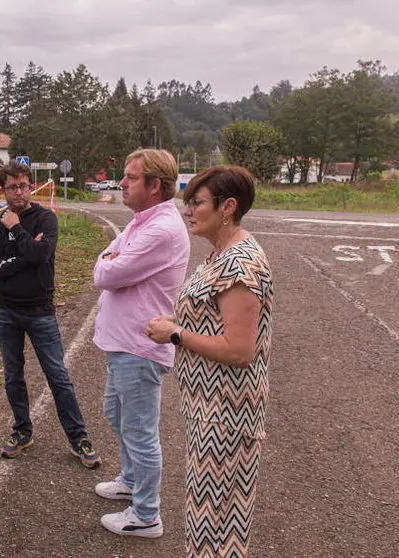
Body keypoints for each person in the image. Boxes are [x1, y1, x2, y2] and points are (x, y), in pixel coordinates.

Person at [145, 165, 274, 557]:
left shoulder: (239, 265)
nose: (187, 211)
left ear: (228, 207)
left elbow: (239, 349)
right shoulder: (221, 254)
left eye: (196, 203)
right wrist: (180, 321)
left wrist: (177, 335)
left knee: (218, 520)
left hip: (227, 415)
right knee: (208, 514)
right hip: (209, 409)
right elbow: (213, 318)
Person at [92, 148, 190, 538]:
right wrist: (110, 257)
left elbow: (107, 273)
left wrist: (110, 259)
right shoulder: (142, 220)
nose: (122, 183)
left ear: (155, 185)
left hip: (139, 346)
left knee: (140, 430)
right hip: (123, 343)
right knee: (117, 417)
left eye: (131, 178)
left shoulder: (160, 229)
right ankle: (132, 481)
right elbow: (109, 259)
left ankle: (147, 513)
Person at [0, 161, 100, 468]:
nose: (18, 192)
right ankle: (22, 431)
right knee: (12, 376)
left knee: (57, 376)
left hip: (39, 311)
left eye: (22, 185)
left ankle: (78, 437)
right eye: (11, 187)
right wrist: (24, 256)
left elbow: (41, 254)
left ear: (30, 186)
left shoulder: (45, 219)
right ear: (3, 189)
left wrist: (17, 230)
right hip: (6, 310)